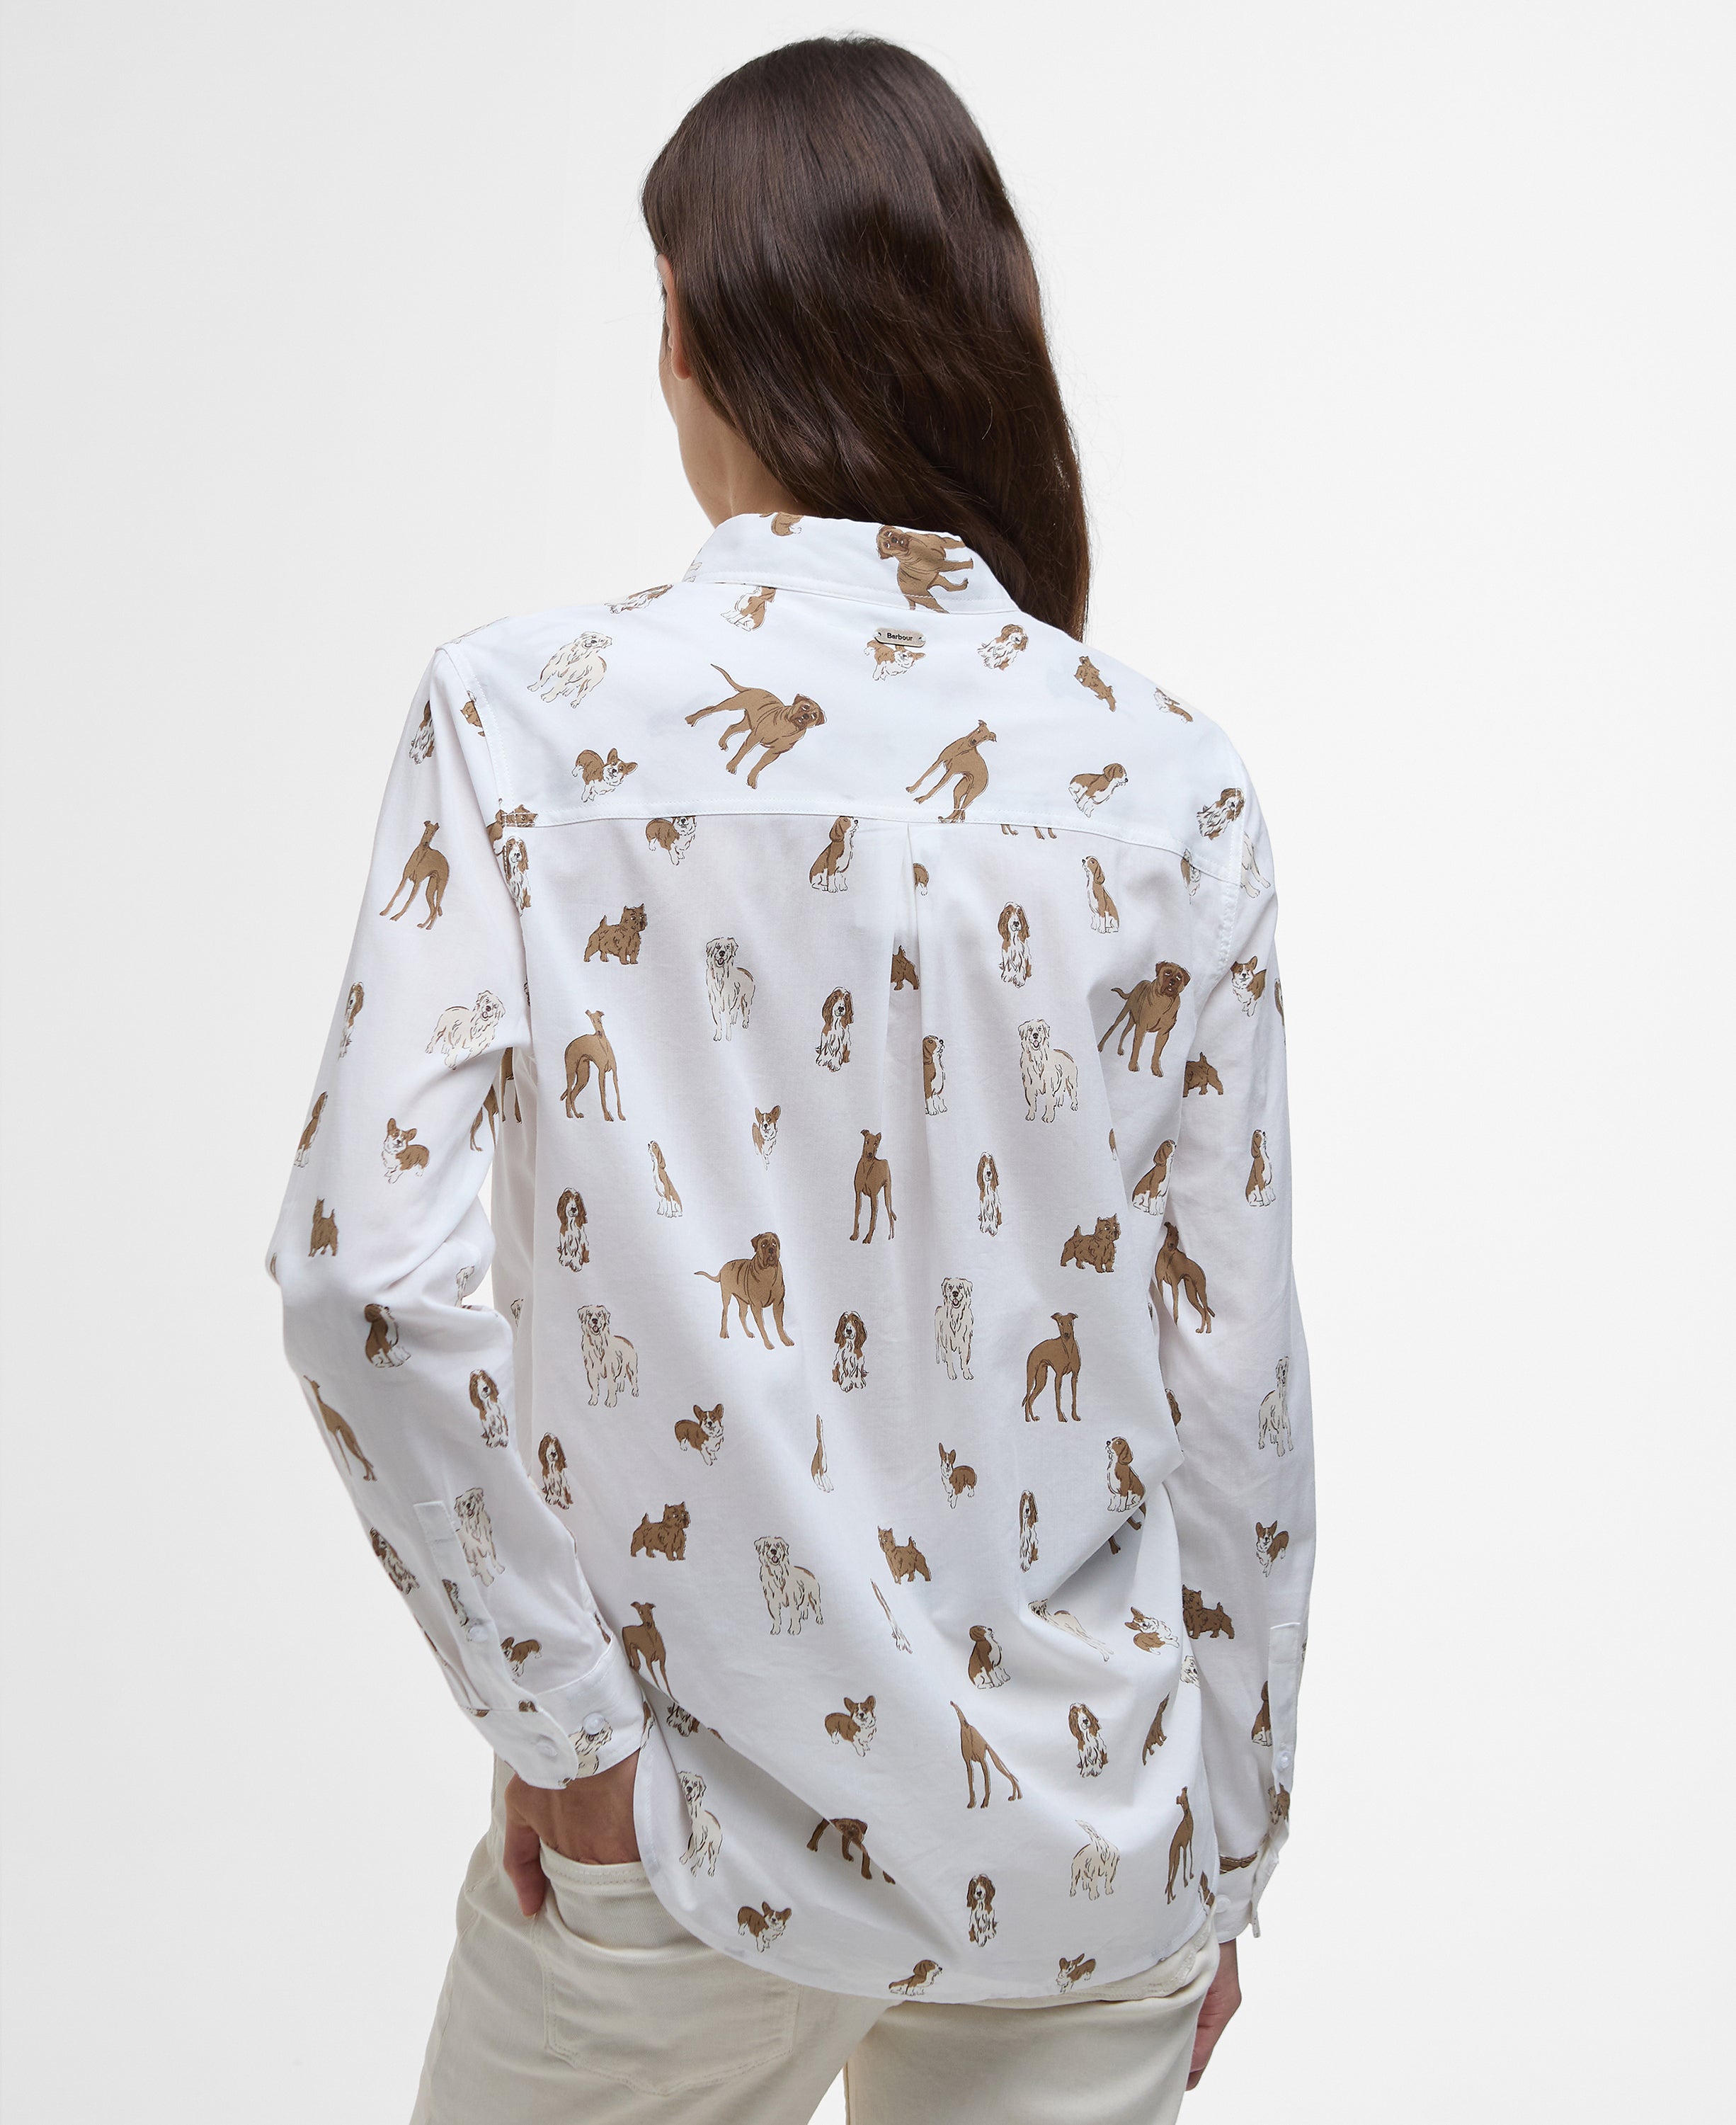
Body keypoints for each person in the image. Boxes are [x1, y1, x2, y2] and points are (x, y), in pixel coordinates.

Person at [266, 35, 1313, 2124]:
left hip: (686, 1833)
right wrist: (1230, 1847)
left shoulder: (525, 721)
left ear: (686, 325)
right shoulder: (1168, 784)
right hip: (1083, 1845)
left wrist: (564, 1727)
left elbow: (359, 1274)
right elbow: (1235, 1382)